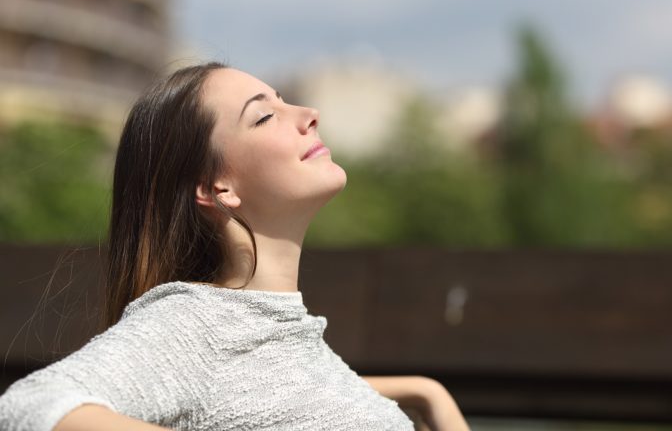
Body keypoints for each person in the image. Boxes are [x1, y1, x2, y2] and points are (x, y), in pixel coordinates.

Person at [0, 61, 470, 431]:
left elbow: (266, 392)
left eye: (284, 102)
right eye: (265, 116)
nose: (309, 115)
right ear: (217, 189)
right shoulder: (198, 324)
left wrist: (426, 392)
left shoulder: (283, 338)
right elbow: (28, 408)